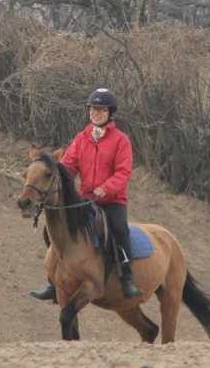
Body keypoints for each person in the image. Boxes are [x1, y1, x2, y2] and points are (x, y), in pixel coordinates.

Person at [30, 88, 144, 301]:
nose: (96, 113)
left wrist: (106, 188)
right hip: (85, 201)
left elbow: (123, 172)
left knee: (120, 230)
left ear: (110, 112)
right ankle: (53, 282)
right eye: (93, 109)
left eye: (101, 109)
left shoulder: (121, 140)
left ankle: (127, 280)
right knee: (53, 229)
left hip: (112, 200)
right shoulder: (81, 138)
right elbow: (68, 167)